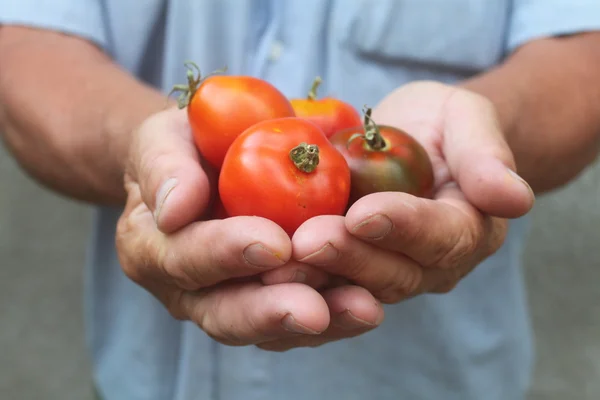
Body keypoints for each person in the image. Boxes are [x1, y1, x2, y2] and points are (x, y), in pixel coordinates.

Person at [1, 1, 599, 399]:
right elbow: (26, 47)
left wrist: (482, 137)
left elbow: (583, 55)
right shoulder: (306, 146)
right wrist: (143, 152)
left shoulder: (315, 148)